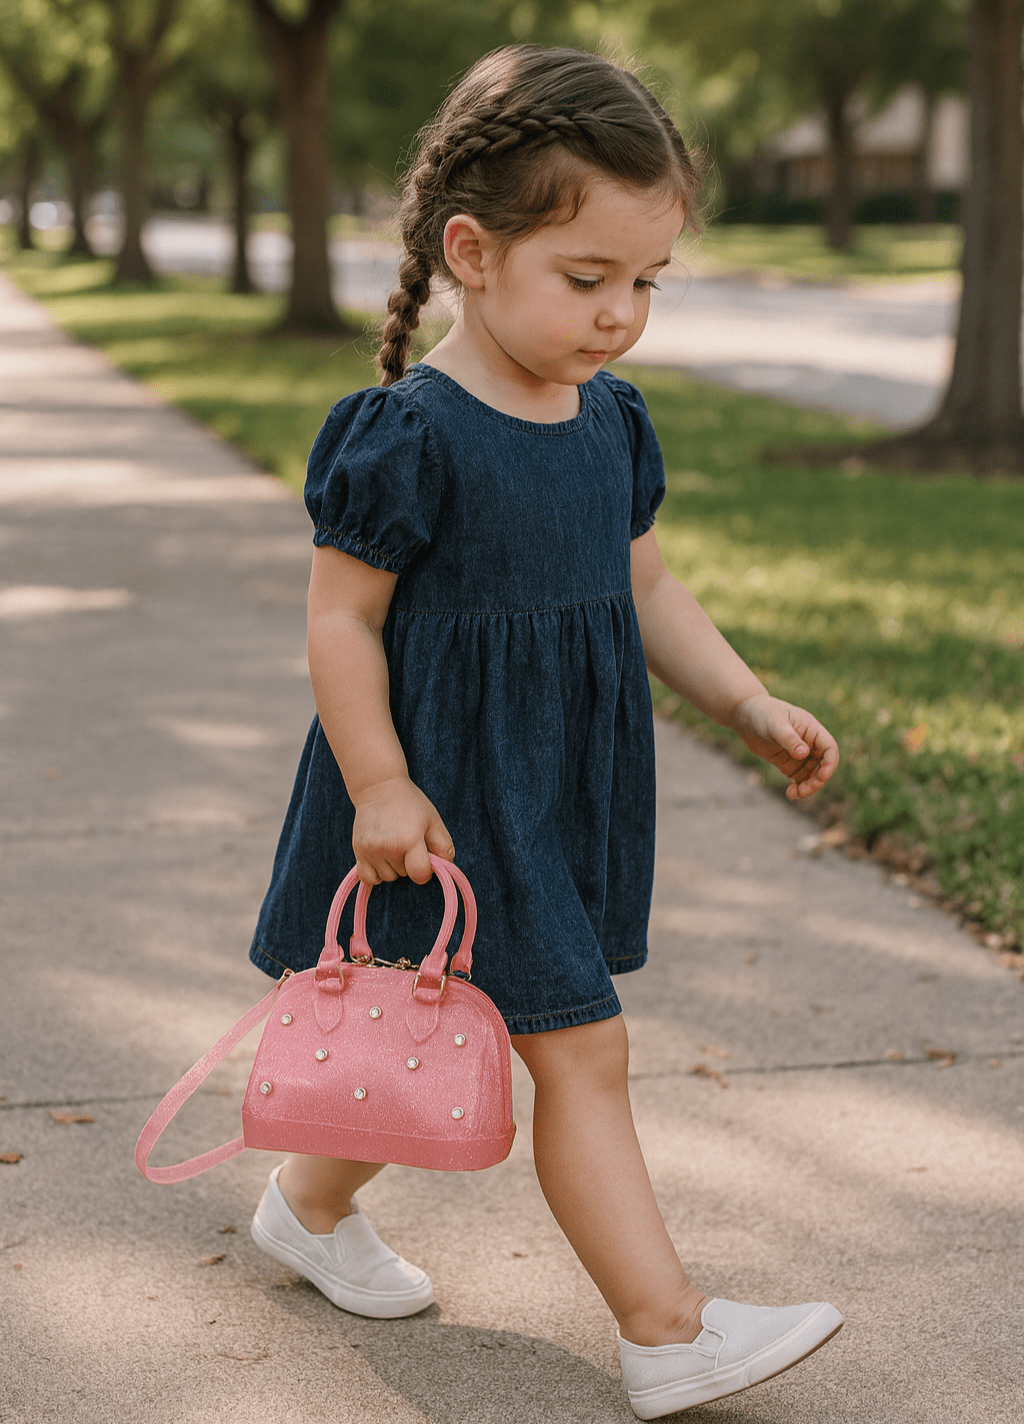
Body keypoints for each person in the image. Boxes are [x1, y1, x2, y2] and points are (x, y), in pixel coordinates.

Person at [247, 44, 843, 1418]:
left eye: (646, 283)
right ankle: (667, 1328)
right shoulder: (408, 435)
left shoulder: (609, 422)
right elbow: (341, 626)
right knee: (581, 1046)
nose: (622, 315)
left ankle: (305, 1207)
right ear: (472, 249)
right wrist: (380, 786)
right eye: (589, 280)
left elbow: (643, 585)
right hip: (445, 798)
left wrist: (746, 699)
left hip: (555, 787)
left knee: (428, 1025)